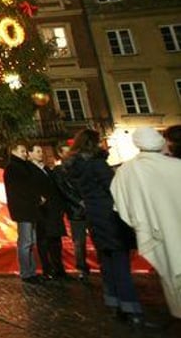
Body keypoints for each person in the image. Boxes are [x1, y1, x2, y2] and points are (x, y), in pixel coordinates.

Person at [66, 128, 152, 328]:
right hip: (109, 215)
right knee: (120, 261)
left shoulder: (75, 167)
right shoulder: (96, 164)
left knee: (107, 260)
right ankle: (132, 309)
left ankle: (114, 302)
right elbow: (113, 188)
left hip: (94, 217)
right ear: (93, 143)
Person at [111, 127, 181, 320]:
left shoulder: (127, 171)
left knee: (171, 271)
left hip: (158, 231)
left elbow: (120, 206)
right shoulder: (175, 166)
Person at [3, 142, 43, 283]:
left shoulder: (23, 167)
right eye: (22, 151)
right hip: (24, 209)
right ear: (13, 151)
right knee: (26, 242)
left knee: (31, 241)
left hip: (29, 208)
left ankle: (31, 271)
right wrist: (36, 198)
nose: (25, 154)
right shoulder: (14, 168)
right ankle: (26, 273)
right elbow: (23, 189)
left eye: (25, 151)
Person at [28, 144, 68, 280]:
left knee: (55, 240)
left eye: (41, 151)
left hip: (54, 210)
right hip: (42, 211)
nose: (41, 154)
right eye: (37, 151)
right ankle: (47, 269)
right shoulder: (29, 170)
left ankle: (59, 269)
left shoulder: (46, 169)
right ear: (30, 154)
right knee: (44, 240)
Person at [53, 142, 90, 280]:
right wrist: (80, 202)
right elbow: (64, 190)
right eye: (66, 152)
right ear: (60, 154)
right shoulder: (59, 171)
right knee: (79, 241)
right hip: (75, 210)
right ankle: (82, 268)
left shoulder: (79, 167)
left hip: (88, 207)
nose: (70, 154)